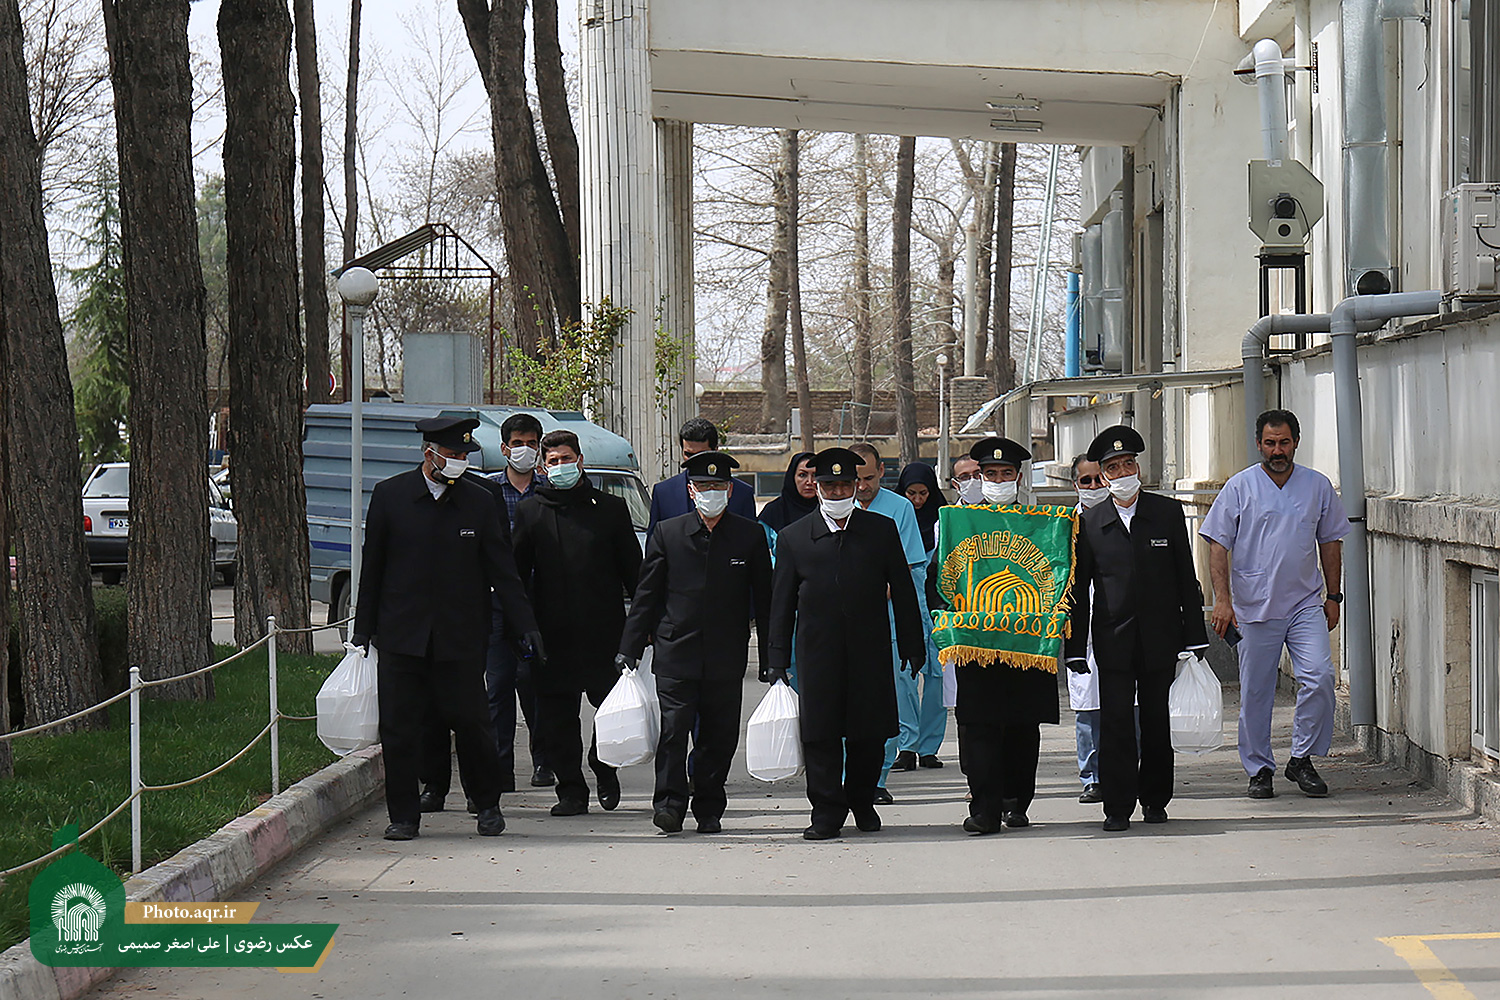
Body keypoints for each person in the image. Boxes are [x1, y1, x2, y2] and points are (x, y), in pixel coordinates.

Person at [351, 416, 544, 841]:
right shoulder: (391, 496)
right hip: (402, 635)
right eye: (453, 455)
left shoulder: (480, 498)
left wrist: (524, 624)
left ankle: (487, 805)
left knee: (473, 723)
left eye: (464, 455)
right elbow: (374, 569)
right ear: (429, 454)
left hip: (460, 636)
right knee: (400, 728)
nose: (459, 462)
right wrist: (362, 632)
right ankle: (403, 815)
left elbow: (502, 568)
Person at [766, 447, 925, 840]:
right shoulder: (794, 537)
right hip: (816, 654)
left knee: (868, 734)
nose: (837, 493)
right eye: (829, 485)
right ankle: (826, 811)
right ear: (816, 488)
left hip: (869, 649)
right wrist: (775, 660)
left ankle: (862, 800)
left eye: (844, 485)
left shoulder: (880, 530)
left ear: (857, 486)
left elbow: (903, 592)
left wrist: (912, 645)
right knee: (820, 735)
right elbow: (781, 604)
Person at [618, 451, 773, 834]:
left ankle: (709, 806)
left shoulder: (747, 535)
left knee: (718, 736)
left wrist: (773, 656)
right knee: (674, 730)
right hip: (675, 652)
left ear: (730, 489)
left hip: (726, 654)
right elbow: (646, 596)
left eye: (718, 486)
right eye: (703, 486)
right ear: (691, 490)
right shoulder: (668, 533)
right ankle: (669, 804)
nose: (711, 492)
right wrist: (630, 648)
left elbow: (767, 601)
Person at [1200, 408, 1348, 800]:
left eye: (1284, 442)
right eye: (1270, 443)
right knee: (1256, 692)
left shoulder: (1317, 487)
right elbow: (1218, 545)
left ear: (1296, 442)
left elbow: (1331, 542)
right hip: (1253, 605)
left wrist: (1333, 596)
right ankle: (1259, 768)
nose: (1277, 450)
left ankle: (1302, 758)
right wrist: (1223, 601)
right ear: (1259, 444)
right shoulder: (1239, 487)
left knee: (1319, 677)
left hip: (1304, 604)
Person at [1067, 425, 1208, 832]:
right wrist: (1075, 648)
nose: (1123, 471)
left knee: (1155, 720)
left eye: (1128, 463)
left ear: (1138, 467)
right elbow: (1078, 589)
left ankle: (1156, 799)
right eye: (1113, 466)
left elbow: (1186, 576)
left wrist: (1193, 636)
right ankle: (1116, 805)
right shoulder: (1091, 523)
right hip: (1112, 640)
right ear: (1105, 475)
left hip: (1160, 638)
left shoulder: (1165, 513)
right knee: (1114, 724)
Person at [417, 413, 553, 814]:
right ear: (505, 447)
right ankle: (500, 768)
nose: (525, 450)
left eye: (533, 442)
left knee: (533, 682)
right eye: (518, 442)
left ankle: (544, 758)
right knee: (496, 687)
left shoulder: (546, 492)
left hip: (536, 603)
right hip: (490, 606)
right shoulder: (488, 491)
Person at [927, 437, 1060, 835]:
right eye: (990, 474)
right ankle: (984, 808)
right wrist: (955, 615)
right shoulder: (957, 523)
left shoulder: (1043, 525)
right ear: (979, 478)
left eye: (1005, 474)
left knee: (1022, 725)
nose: (998, 479)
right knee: (979, 725)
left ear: (1018, 478)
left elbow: (1056, 575)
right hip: (976, 644)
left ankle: (1016, 802)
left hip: (1025, 642)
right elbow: (939, 580)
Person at [513, 429, 643, 816]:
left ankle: (604, 767)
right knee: (556, 719)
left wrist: (642, 627)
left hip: (604, 633)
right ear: (542, 467)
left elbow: (635, 574)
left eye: (567, 459)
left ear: (580, 461)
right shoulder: (531, 511)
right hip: (550, 635)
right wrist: (522, 626)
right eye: (553, 462)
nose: (561, 467)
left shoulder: (610, 509)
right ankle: (570, 790)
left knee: (609, 711)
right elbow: (516, 576)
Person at [847, 443, 929, 803]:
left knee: (895, 691)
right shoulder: (838, 508)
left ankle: (880, 775)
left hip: (891, 618)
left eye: (868, 477)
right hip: (846, 621)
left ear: (882, 471)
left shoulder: (899, 510)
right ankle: (849, 775)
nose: (862, 486)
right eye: (857, 479)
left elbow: (908, 566)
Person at [894, 461, 950, 771]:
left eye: (923, 493)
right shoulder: (896, 519)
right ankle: (907, 744)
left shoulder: (945, 522)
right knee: (904, 677)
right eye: (911, 493)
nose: (917, 500)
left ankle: (930, 746)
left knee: (938, 679)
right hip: (906, 611)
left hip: (939, 611)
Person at [1067, 454, 1110, 805]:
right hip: (1082, 627)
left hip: (1118, 622)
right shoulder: (1064, 525)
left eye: (1100, 479)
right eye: (1087, 481)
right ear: (1075, 485)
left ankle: (1127, 770)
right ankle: (1092, 776)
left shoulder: (1121, 519)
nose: (1094, 487)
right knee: (1087, 705)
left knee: (1132, 704)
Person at [646, 417, 755, 538]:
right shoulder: (664, 493)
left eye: (701, 455)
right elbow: (654, 546)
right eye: (688, 454)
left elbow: (751, 542)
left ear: (715, 450)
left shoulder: (742, 494)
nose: (694, 461)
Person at [756, 451, 819, 535]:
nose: (809, 482)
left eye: (815, 475)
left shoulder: (828, 510)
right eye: (802, 475)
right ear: (792, 477)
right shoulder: (774, 511)